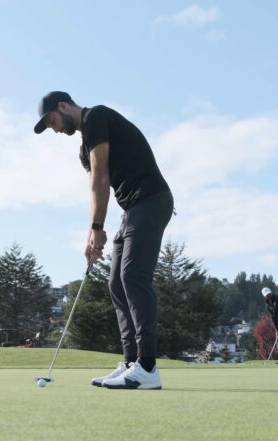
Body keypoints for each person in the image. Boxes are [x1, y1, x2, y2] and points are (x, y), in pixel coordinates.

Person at [34, 91, 173, 389]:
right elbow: (94, 188)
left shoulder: (96, 116)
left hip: (151, 199)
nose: (54, 129)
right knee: (116, 283)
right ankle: (130, 362)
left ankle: (147, 367)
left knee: (133, 276)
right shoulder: (83, 150)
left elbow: (101, 177)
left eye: (52, 121)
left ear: (63, 107)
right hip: (132, 209)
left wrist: (98, 226)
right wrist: (91, 234)